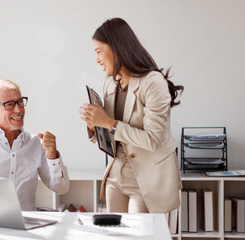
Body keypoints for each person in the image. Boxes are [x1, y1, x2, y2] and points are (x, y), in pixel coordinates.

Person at [79, 18, 184, 213]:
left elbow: (153, 140)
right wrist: (95, 126)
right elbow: (112, 134)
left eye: (98, 51)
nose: (97, 59)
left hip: (146, 180)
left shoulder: (153, 82)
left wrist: (108, 122)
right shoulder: (110, 83)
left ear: (116, 48)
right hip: (115, 176)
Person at [0, 79, 70, 211]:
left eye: (20, 102)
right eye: (9, 104)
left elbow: (61, 188)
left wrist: (52, 155)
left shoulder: (36, 143)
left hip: (27, 225)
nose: (18, 110)